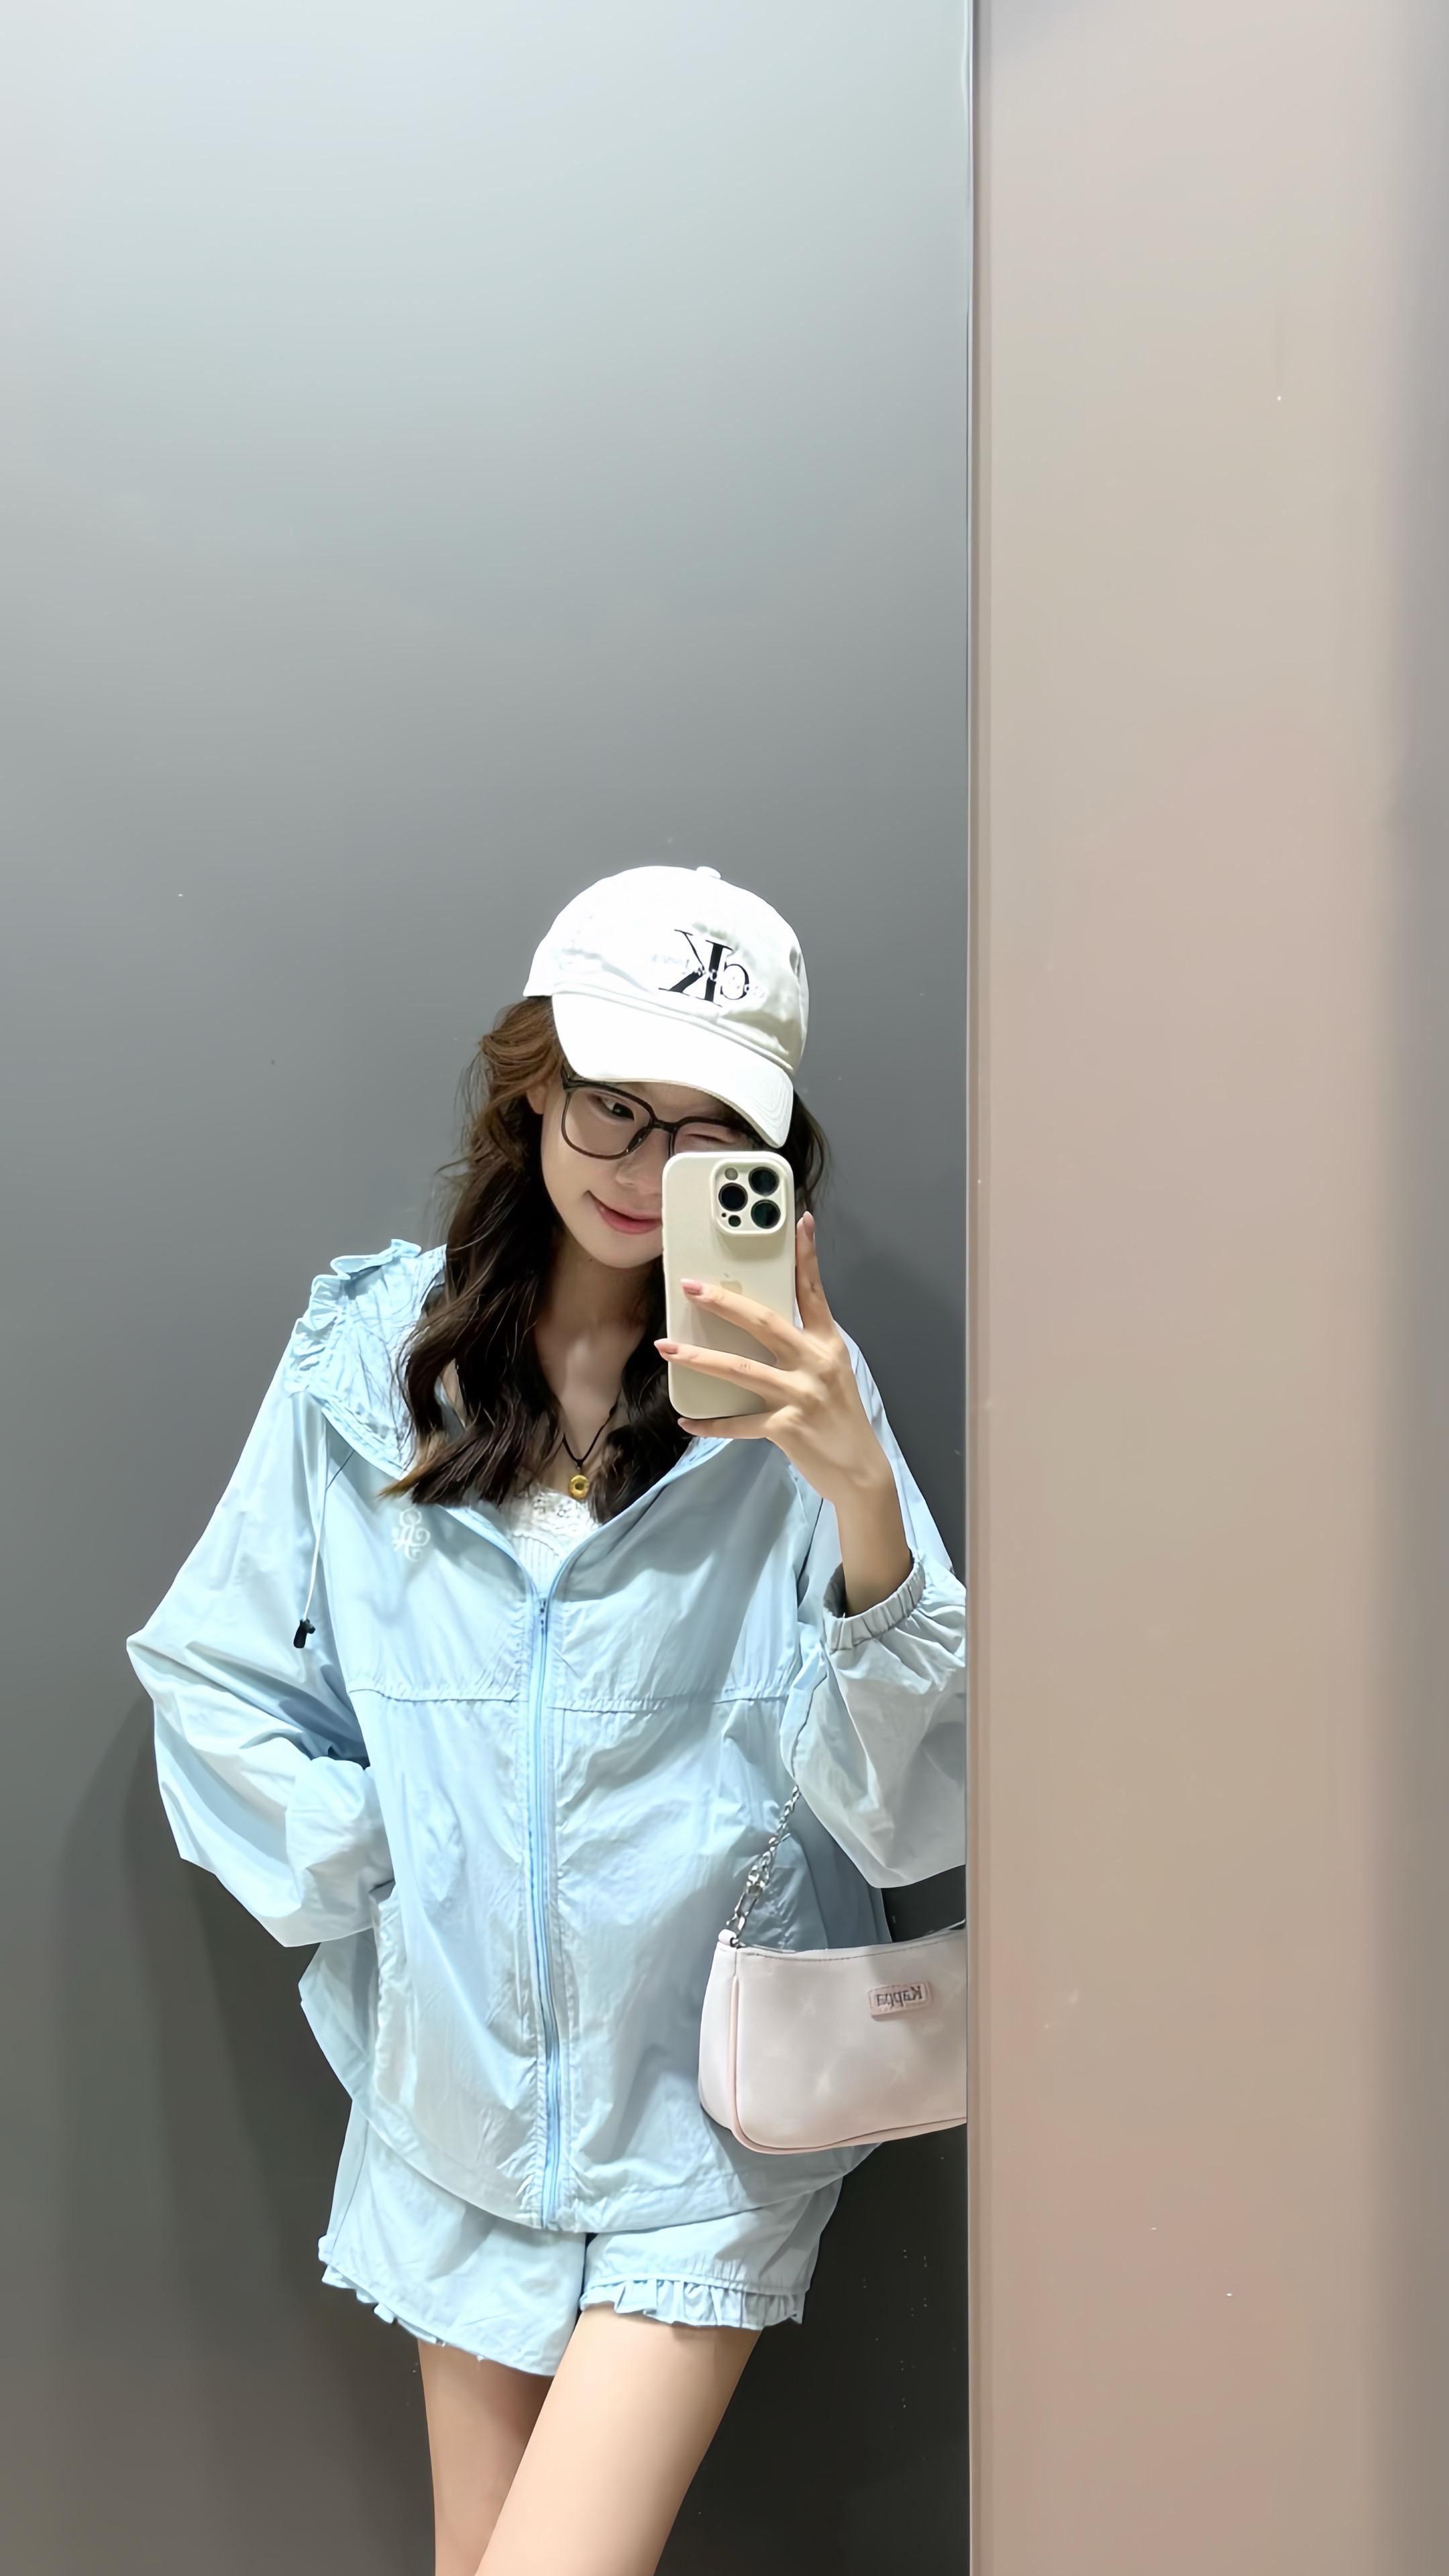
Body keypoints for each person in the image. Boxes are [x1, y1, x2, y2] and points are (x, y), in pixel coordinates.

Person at [125, 862, 966, 2576]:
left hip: (707, 2124)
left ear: (764, 1157)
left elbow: (913, 1804)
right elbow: (211, 1671)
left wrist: (859, 1496)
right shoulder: (369, 1362)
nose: (644, 1171)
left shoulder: (801, 1387)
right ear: (533, 1087)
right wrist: (383, 1861)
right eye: (612, 1107)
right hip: (455, 2115)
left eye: (704, 1132)